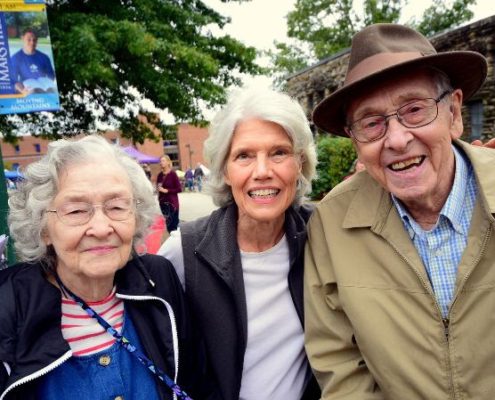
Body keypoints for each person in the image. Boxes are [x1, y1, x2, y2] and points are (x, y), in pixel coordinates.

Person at [304, 23, 495, 399]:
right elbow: (339, 362)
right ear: (355, 139)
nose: (396, 139)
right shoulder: (331, 224)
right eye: (371, 123)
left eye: (414, 110)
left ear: (454, 112)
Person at [0, 135, 215, 400]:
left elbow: (195, 382)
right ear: (43, 228)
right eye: (77, 211)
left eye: (116, 206)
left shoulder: (158, 280)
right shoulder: (7, 308)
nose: (101, 228)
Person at [158, 87, 321, 400]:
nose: (262, 172)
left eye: (279, 153)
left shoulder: (322, 237)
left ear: (299, 164)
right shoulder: (184, 252)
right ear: (225, 170)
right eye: (244, 155)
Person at [10, 28, 56, 94]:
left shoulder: (44, 57)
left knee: (51, 91)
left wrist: (48, 85)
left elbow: (51, 76)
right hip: (25, 88)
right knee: (33, 92)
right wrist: (22, 89)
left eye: (34, 40)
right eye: (29, 39)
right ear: (22, 38)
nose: (32, 43)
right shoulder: (15, 58)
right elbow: (13, 80)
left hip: (43, 88)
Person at [156, 155, 181, 233]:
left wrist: (167, 191)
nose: (161, 163)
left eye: (163, 161)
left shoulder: (172, 174)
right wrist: (159, 190)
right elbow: (158, 185)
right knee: (168, 225)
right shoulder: (160, 175)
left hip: (172, 203)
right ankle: (173, 241)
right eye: (160, 161)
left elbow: (179, 189)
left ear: (168, 162)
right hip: (163, 203)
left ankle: (176, 243)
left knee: (173, 226)